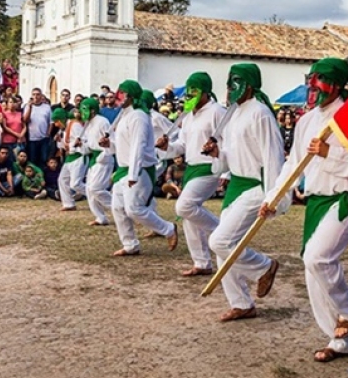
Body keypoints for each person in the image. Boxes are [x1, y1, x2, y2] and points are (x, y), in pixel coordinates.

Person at [259, 58, 348, 362]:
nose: (312, 86)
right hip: (316, 201)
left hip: (346, 200)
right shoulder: (306, 121)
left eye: (320, 80)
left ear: (337, 85)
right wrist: (275, 199)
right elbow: (293, 165)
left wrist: (328, 153)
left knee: (317, 258)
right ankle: (338, 341)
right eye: (311, 78)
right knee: (313, 271)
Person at [203, 63, 286, 322]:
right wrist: (218, 154)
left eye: (235, 82)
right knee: (224, 247)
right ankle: (241, 303)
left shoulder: (261, 113)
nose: (230, 88)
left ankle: (264, 267)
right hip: (237, 184)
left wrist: (274, 196)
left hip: (256, 186)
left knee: (219, 241)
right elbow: (232, 156)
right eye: (228, 82)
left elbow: (273, 156)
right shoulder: (233, 114)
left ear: (249, 84)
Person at [156, 71, 225, 276]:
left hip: (209, 167)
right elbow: (182, 146)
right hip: (191, 167)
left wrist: (225, 171)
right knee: (189, 216)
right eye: (188, 90)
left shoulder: (217, 112)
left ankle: (224, 233)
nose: (190, 94)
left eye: (194, 90)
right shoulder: (187, 116)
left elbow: (227, 142)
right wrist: (166, 147)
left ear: (205, 92)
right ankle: (202, 262)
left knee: (184, 206)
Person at [101, 80, 178, 256]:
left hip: (140, 168)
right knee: (118, 208)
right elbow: (123, 146)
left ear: (132, 96)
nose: (119, 97)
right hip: (123, 168)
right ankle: (130, 244)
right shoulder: (124, 116)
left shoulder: (139, 117)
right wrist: (108, 144)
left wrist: (133, 174)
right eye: (118, 93)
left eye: (123, 93)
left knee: (134, 208)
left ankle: (168, 229)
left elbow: (138, 146)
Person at [79, 97, 113, 226]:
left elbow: (111, 141)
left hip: (103, 158)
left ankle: (119, 209)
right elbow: (89, 144)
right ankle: (100, 217)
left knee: (96, 189)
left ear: (92, 110)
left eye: (85, 109)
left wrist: (104, 153)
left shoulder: (103, 122)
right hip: (94, 158)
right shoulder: (88, 123)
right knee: (89, 190)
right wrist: (81, 144)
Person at [52, 107, 87, 211]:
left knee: (76, 184)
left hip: (78, 156)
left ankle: (96, 195)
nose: (56, 124)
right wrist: (59, 141)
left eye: (57, 121)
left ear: (61, 119)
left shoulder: (75, 125)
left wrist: (75, 144)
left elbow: (83, 139)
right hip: (70, 157)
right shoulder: (63, 129)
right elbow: (64, 146)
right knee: (62, 180)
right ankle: (69, 204)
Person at [23, 88, 52, 166]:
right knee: (33, 160)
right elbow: (25, 120)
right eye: (34, 94)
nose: (36, 96)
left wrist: (48, 133)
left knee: (44, 159)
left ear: (41, 96)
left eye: (38, 94)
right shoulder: (27, 107)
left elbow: (51, 122)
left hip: (44, 138)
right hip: (32, 139)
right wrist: (30, 107)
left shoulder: (47, 107)